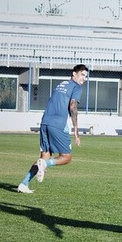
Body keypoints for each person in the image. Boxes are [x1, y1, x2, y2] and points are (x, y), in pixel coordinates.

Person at [17, 64, 89, 194]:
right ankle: (45, 165)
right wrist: (76, 131)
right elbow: (72, 107)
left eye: (86, 76)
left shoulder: (60, 84)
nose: (84, 79)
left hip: (45, 122)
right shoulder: (76, 87)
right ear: (74, 74)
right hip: (58, 124)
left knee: (44, 157)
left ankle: (24, 183)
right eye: (82, 75)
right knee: (66, 157)